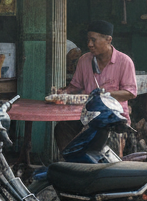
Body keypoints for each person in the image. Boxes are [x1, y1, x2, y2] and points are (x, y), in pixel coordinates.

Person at [55, 19, 138, 151]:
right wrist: (64, 92)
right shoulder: (84, 60)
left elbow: (130, 93)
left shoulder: (124, 62)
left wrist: (104, 95)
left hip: (113, 119)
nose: (89, 44)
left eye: (94, 40)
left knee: (106, 139)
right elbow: (75, 86)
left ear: (108, 40)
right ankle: (71, 165)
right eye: (88, 40)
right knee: (62, 128)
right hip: (87, 117)